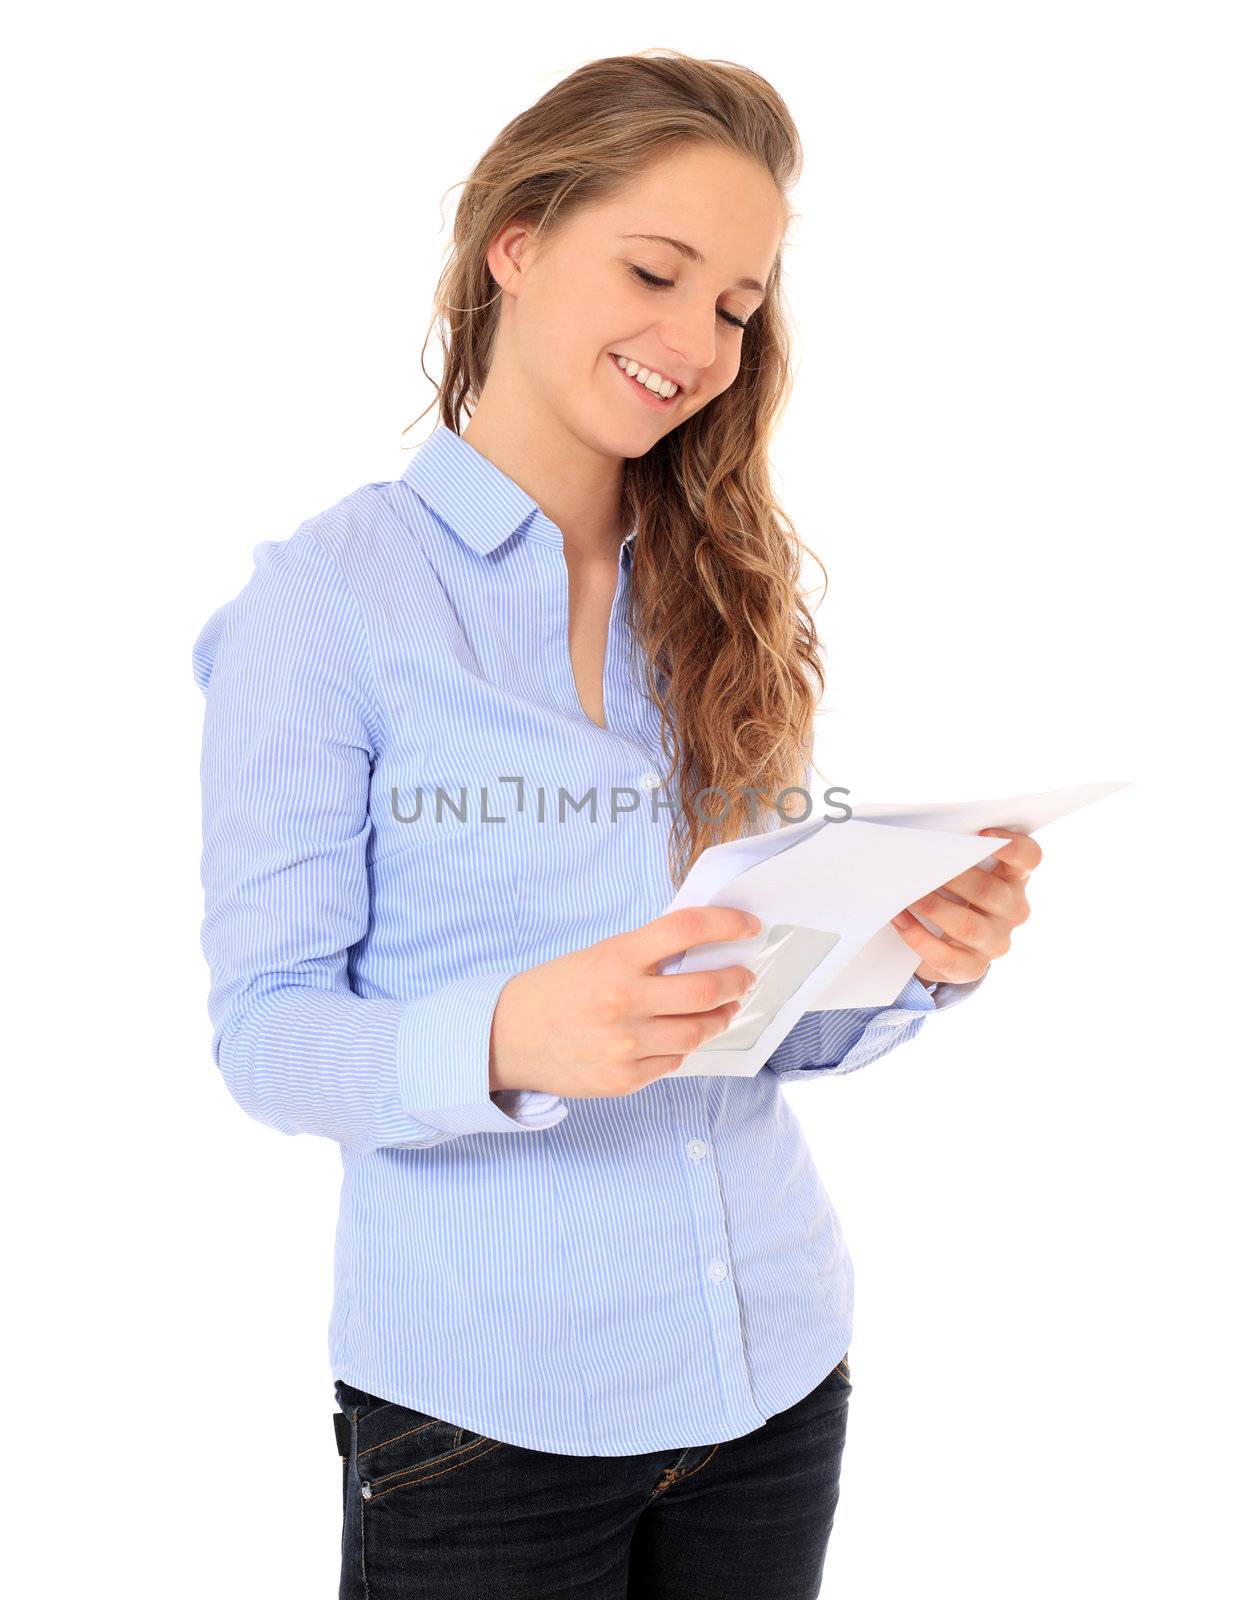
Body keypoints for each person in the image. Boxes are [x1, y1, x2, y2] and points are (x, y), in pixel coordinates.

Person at [192, 48, 1041, 1600]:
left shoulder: (721, 597)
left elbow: (753, 1022)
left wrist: (910, 959)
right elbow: (265, 1035)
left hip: (773, 1373)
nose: (699, 339)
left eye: (735, 304)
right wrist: (513, 1035)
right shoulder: (326, 605)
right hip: (487, 1425)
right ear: (515, 244)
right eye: (656, 270)